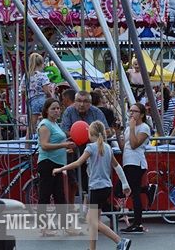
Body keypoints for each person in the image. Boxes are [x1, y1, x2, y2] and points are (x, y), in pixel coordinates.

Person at [53, 122, 132, 250]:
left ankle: (120, 240)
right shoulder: (107, 147)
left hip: (96, 187)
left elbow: (78, 163)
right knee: (96, 220)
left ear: (90, 134)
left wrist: (60, 168)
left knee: (92, 221)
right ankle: (92, 248)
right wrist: (125, 184)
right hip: (106, 187)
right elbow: (117, 167)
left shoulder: (90, 147)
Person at [61, 90, 109, 208]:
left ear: (91, 103)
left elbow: (107, 131)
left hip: (93, 151)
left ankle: (98, 208)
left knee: (92, 180)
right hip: (75, 150)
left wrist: (91, 137)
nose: (82, 104)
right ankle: (78, 205)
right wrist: (77, 136)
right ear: (75, 102)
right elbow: (64, 131)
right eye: (79, 101)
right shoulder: (69, 111)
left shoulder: (96, 112)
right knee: (75, 178)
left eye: (85, 101)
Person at [36, 98, 75, 236]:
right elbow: (45, 145)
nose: (57, 111)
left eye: (58, 108)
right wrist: (63, 145)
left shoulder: (55, 124)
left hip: (57, 163)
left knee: (59, 196)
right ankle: (44, 226)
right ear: (47, 110)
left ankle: (65, 226)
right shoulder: (45, 125)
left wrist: (64, 150)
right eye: (53, 108)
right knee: (45, 195)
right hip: (48, 163)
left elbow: (53, 145)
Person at [119, 103, 153, 234]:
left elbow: (134, 145)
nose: (131, 113)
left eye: (135, 111)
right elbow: (125, 146)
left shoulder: (144, 127)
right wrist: (118, 132)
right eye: (130, 111)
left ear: (142, 114)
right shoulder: (128, 128)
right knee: (130, 190)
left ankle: (137, 222)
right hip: (127, 161)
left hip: (136, 162)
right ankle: (147, 190)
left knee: (134, 192)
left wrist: (132, 128)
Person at [28, 53, 54, 128]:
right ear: (41, 64)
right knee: (46, 121)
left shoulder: (27, 75)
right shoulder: (43, 75)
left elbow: (23, 89)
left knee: (32, 123)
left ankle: (28, 138)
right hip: (42, 99)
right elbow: (46, 90)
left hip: (32, 100)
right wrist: (51, 95)